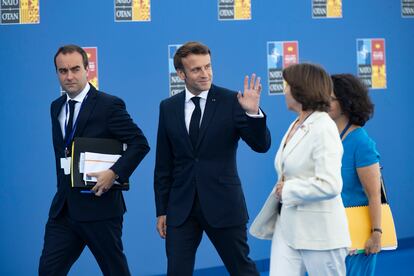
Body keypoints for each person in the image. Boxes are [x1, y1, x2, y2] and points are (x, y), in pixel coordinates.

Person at [154, 41, 271, 276]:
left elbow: (261, 145)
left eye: (208, 66)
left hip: (223, 204)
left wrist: (252, 113)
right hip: (181, 208)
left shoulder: (231, 101)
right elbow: (163, 164)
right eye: (196, 69)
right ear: (181, 73)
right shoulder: (168, 107)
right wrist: (162, 209)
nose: (205, 73)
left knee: (242, 269)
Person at [39, 44, 150, 275]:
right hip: (64, 211)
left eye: (75, 69)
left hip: (101, 209)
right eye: (62, 71)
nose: (69, 76)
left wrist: (114, 173)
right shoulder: (56, 107)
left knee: (115, 271)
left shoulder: (109, 105)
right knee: (48, 271)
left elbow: (139, 143)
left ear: (87, 69)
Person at [250, 63, 351, 275]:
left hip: (320, 233)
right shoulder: (297, 123)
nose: (284, 90)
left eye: (287, 85)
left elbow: (331, 184)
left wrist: (288, 190)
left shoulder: (324, 127)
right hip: (287, 228)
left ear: (301, 90)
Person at [329, 74, 381, 276]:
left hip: (357, 237)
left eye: (330, 98)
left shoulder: (362, 142)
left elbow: (374, 195)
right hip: (331, 234)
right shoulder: (330, 138)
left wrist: (376, 233)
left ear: (346, 103)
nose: (324, 103)